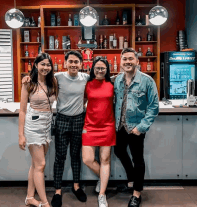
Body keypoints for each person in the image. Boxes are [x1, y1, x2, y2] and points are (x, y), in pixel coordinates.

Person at [22, 50, 89, 207]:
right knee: (60, 156)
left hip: (79, 120)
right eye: (70, 61)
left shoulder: (86, 78)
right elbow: (37, 79)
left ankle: (76, 186)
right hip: (61, 119)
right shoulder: (56, 77)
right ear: (65, 63)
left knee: (75, 155)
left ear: (81, 64)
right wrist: (27, 77)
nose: (73, 64)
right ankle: (57, 190)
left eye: (76, 62)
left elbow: (90, 91)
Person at [114, 48, 159, 207]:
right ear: (120, 62)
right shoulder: (117, 80)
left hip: (136, 128)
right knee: (118, 151)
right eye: (124, 59)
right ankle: (132, 179)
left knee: (138, 160)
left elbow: (154, 106)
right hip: (119, 126)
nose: (127, 62)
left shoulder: (147, 81)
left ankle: (136, 194)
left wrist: (142, 127)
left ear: (137, 61)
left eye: (130, 59)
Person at [19, 53, 57, 207]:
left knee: (35, 164)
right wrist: (21, 135)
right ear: (36, 65)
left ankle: (30, 197)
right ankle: (45, 203)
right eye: (43, 64)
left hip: (47, 125)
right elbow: (22, 110)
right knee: (40, 165)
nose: (45, 67)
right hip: (33, 126)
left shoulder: (53, 81)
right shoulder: (28, 83)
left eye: (48, 65)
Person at [82, 56, 116, 207]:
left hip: (107, 126)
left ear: (107, 69)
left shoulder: (112, 84)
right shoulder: (87, 84)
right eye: (97, 68)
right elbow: (82, 102)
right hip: (89, 126)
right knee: (87, 159)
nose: (100, 70)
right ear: (93, 69)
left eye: (103, 68)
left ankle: (102, 195)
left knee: (105, 160)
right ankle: (103, 178)